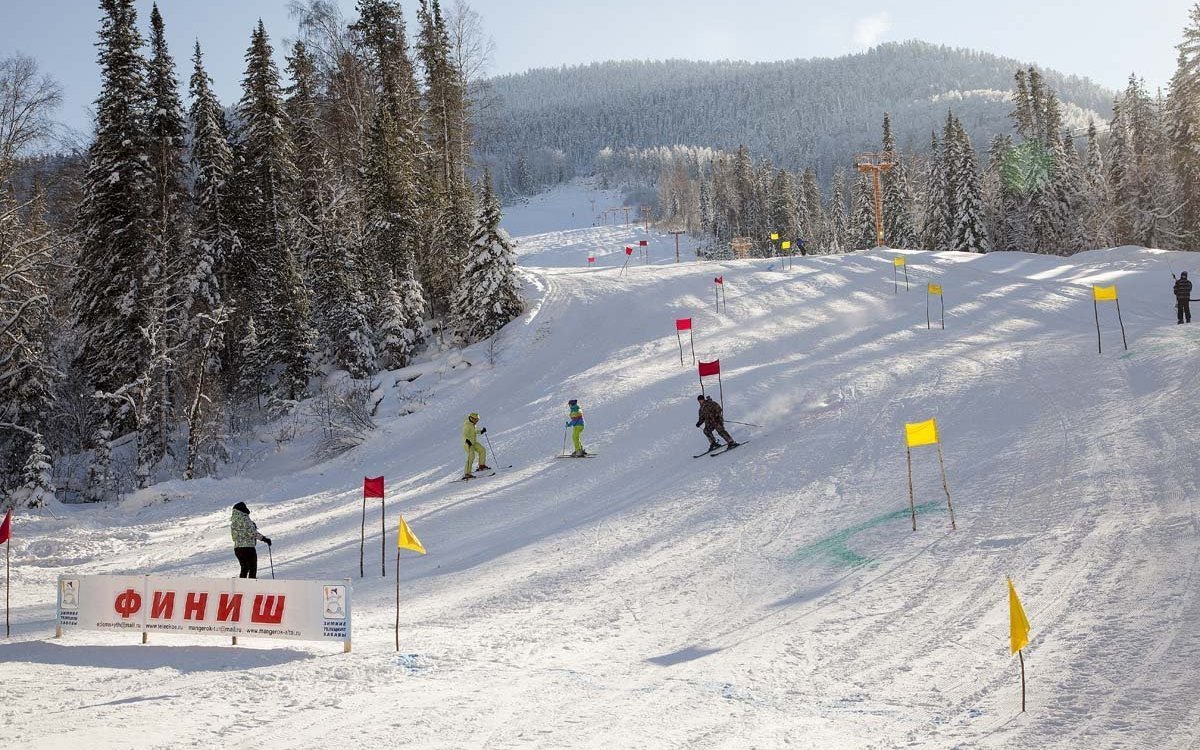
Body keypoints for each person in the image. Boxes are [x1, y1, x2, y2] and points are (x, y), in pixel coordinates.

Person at [230, 502, 270, 579]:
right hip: (248, 548)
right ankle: (251, 588)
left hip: (237, 548)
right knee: (252, 568)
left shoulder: (233, 522)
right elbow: (252, 533)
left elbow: (234, 537)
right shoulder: (245, 519)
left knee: (244, 568)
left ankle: (241, 587)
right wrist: (264, 539)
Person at [462, 412, 490, 479]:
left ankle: (481, 465)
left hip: (473, 443)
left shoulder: (472, 424)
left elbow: (474, 432)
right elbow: (464, 434)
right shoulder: (467, 425)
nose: (476, 421)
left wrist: (481, 431)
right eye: (475, 420)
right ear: (471, 418)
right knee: (471, 457)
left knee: (482, 450)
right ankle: (467, 473)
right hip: (468, 444)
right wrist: (467, 441)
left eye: (477, 420)